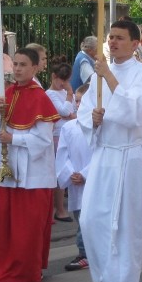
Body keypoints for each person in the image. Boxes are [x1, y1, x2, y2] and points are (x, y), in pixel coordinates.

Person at [78, 20, 142, 282]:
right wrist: (92, 120)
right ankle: (107, 275)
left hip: (129, 154)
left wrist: (109, 76)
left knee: (124, 223)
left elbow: (136, 113)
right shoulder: (98, 76)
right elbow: (85, 111)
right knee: (91, 219)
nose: (112, 42)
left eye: (120, 38)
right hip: (104, 154)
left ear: (135, 44)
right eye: (110, 37)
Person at [0, 47, 59, 282]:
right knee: (3, 224)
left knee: (27, 227)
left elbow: (44, 140)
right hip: (5, 170)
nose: (17, 69)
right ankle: (2, 267)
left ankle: (27, 270)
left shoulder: (41, 97)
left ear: (35, 68)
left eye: (23, 64)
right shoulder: (5, 93)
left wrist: (14, 139)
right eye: (15, 64)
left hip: (32, 173)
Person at [56, 84, 94, 270]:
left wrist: (86, 174)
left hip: (94, 181)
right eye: (76, 100)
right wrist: (72, 174)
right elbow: (62, 154)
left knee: (93, 218)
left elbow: (102, 154)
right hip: (76, 182)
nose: (78, 104)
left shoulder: (99, 126)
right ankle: (84, 252)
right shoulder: (69, 127)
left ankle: (90, 253)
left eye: (82, 100)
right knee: (81, 218)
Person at [46, 57, 77, 222]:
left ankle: (60, 207)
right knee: (59, 171)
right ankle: (58, 208)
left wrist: (70, 112)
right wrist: (70, 95)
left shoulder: (64, 93)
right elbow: (65, 110)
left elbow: (74, 111)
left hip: (67, 133)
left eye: (66, 80)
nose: (63, 83)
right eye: (61, 79)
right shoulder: (50, 94)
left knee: (66, 169)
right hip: (57, 134)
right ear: (53, 76)